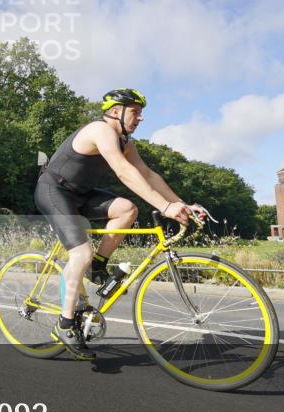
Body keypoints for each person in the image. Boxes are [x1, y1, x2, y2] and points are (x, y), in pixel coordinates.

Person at [35, 88, 206, 361]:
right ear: (116, 111)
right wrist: (164, 207)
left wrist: (181, 203)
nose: (140, 118)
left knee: (127, 209)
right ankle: (65, 324)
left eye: (141, 113)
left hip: (80, 194)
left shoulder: (126, 142)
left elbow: (148, 175)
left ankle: (98, 266)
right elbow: (123, 171)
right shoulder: (100, 130)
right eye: (136, 112)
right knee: (80, 252)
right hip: (54, 190)